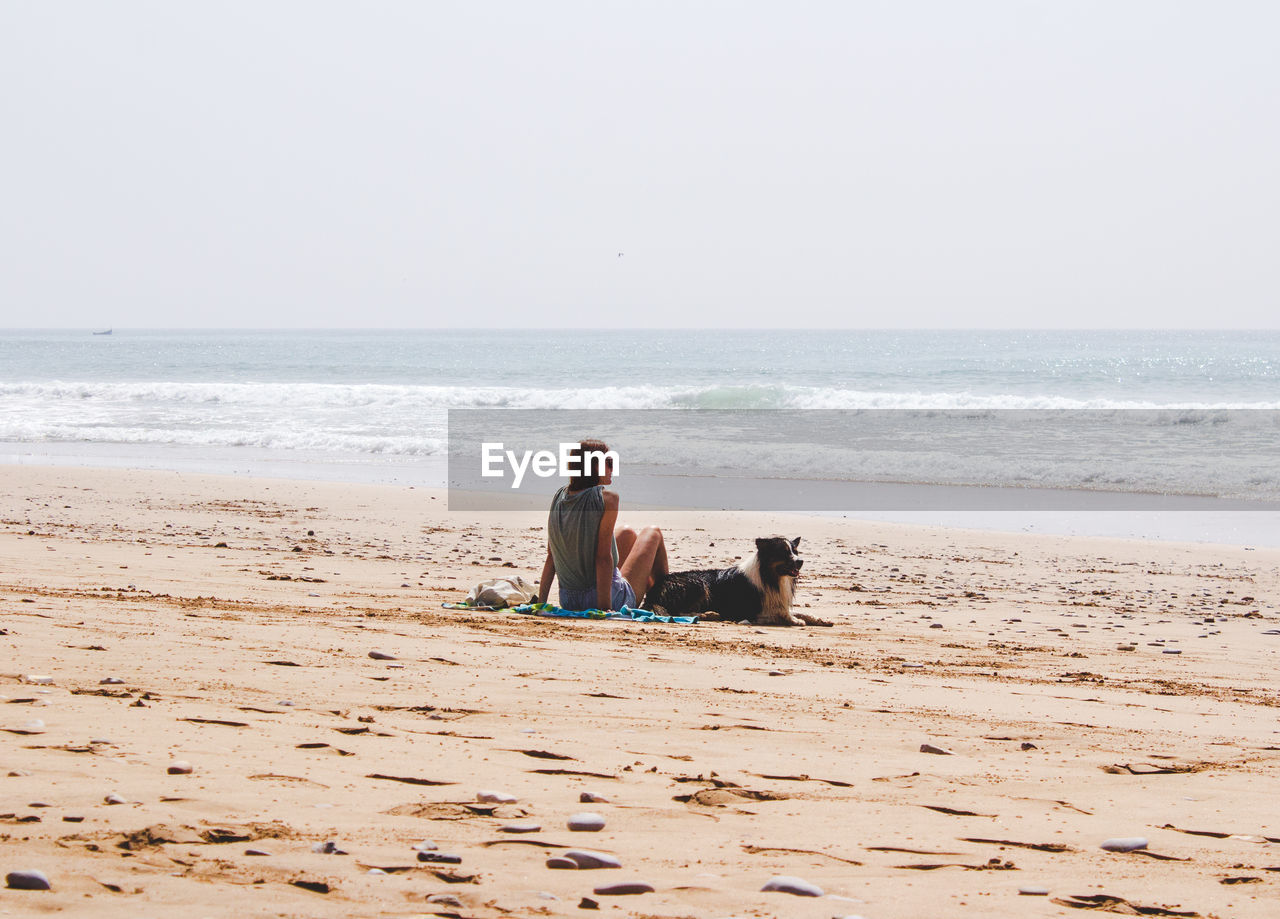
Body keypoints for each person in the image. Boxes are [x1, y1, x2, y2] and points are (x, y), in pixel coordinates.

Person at [536, 439, 668, 611]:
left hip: (569, 600)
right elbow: (603, 558)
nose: (613, 469)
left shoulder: (559, 496)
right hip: (606, 599)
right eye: (609, 463)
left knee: (626, 533)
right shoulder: (607, 499)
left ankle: (650, 590)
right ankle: (666, 599)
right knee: (653, 532)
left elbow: (552, 556)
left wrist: (540, 602)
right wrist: (605, 609)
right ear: (596, 466)